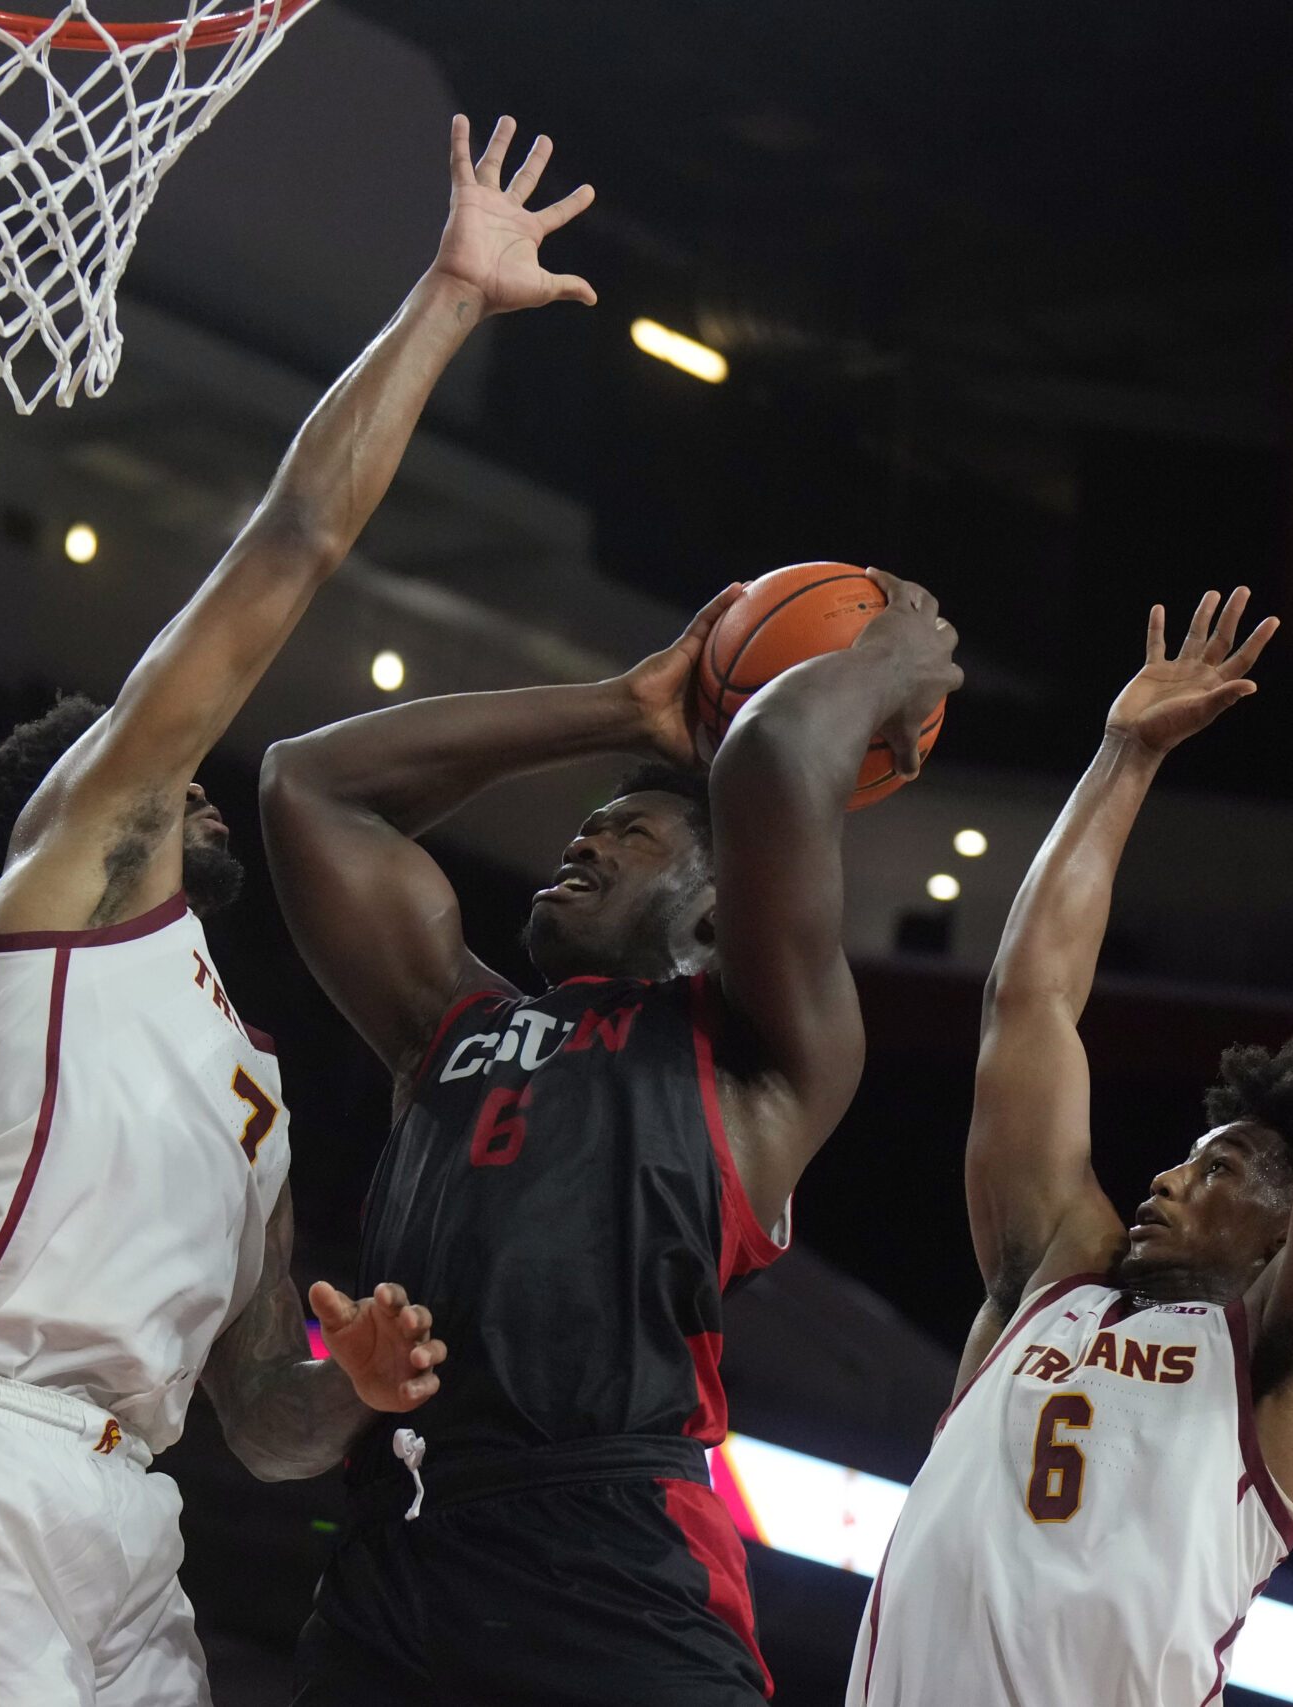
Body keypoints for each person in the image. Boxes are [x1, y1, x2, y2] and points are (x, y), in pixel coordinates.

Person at [0, 113, 600, 1707]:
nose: (189, 776)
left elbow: (263, 1420)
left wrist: (354, 1384)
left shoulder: (251, 1085)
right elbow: (291, 542)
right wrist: (445, 297)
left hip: (124, 1512)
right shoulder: (70, 886)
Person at [259, 572, 962, 1704]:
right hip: (398, 1545)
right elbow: (310, 784)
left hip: (609, 1553)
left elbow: (772, 758)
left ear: (718, 909)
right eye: (586, 830)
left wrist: (887, 661)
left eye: (628, 836)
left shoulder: (759, 1053)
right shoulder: (449, 1021)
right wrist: (620, 708)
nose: (580, 846)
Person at [850, 585, 1293, 1707]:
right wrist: (1122, 754)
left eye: (1220, 1168)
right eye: (1188, 1155)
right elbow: (1026, 1001)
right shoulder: (1049, 1275)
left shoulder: (1279, 1359)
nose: (1169, 1176)